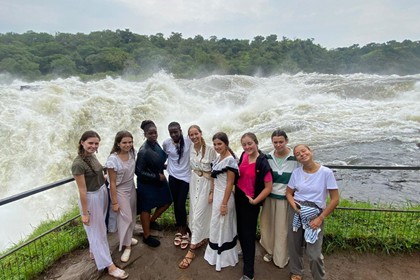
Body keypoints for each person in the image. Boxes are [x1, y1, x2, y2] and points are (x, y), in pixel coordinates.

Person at [71, 130, 128, 279]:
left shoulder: (91, 157)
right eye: (90, 143)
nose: (93, 146)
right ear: (82, 143)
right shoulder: (78, 164)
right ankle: (109, 266)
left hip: (101, 192)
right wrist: (84, 213)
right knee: (98, 231)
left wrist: (105, 177)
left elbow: (96, 175)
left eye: (96, 143)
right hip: (91, 198)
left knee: (98, 228)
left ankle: (94, 252)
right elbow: (82, 190)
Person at [286, 144, 340, 280]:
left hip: (315, 213)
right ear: (297, 159)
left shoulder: (326, 172)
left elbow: (335, 199)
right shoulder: (296, 173)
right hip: (297, 210)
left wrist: (320, 218)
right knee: (294, 244)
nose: (302, 154)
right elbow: (288, 193)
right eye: (298, 154)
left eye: (304, 151)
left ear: (311, 151)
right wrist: (295, 208)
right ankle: (296, 271)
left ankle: (319, 277)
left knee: (314, 253)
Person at [235, 132, 273, 280]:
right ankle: (245, 253)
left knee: (249, 234)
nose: (247, 147)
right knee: (240, 229)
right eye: (244, 144)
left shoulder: (262, 162)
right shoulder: (243, 156)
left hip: (251, 201)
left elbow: (268, 187)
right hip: (239, 197)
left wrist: (256, 201)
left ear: (256, 143)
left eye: (250, 143)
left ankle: (248, 273)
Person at [178, 125, 217, 269]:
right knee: (194, 213)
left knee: (199, 214)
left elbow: (215, 172)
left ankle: (192, 249)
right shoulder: (190, 150)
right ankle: (201, 238)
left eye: (196, 134)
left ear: (201, 133)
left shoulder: (211, 151)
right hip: (194, 183)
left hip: (206, 184)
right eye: (191, 135)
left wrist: (212, 191)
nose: (194, 137)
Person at [259, 130, 299, 268]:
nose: (278, 145)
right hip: (269, 197)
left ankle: (281, 256)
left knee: (282, 229)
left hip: (285, 199)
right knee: (267, 225)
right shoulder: (267, 157)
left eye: (281, 141)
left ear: (286, 141)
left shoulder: (296, 157)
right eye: (275, 142)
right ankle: (270, 250)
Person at [204, 132, 239, 271]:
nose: (217, 147)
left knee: (223, 224)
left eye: (220, 144)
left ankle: (223, 257)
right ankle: (215, 253)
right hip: (218, 195)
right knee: (216, 224)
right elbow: (214, 178)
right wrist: (212, 193)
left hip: (226, 196)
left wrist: (224, 204)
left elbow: (230, 184)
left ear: (226, 144)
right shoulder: (219, 158)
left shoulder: (230, 160)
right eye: (215, 144)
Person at [135, 120, 172, 247]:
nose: (153, 135)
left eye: (155, 132)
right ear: (145, 135)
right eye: (150, 133)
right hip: (147, 183)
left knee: (167, 201)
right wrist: (156, 176)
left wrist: (163, 165)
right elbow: (138, 171)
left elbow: (156, 160)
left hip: (158, 179)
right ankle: (146, 236)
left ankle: (151, 221)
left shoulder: (155, 144)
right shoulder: (143, 151)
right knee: (146, 208)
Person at [105, 131, 137, 263]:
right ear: (118, 143)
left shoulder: (132, 153)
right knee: (126, 218)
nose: (128, 145)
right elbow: (112, 182)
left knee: (132, 215)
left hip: (131, 187)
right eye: (124, 142)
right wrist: (114, 202)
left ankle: (128, 237)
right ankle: (127, 246)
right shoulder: (113, 159)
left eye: (130, 142)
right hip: (120, 190)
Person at [162, 122, 192, 249]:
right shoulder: (166, 143)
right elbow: (162, 157)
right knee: (176, 204)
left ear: (181, 130)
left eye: (176, 132)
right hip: (173, 176)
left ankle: (184, 231)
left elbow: (202, 146)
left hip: (185, 177)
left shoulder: (188, 141)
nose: (174, 134)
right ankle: (179, 229)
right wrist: (161, 169)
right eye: (171, 133)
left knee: (181, 203)